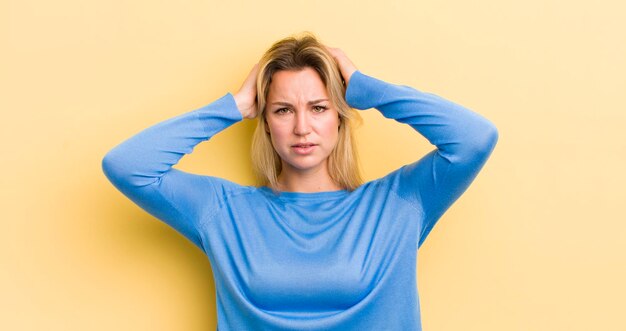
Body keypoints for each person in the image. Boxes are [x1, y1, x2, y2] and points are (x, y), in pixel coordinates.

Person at [102, 32, 499, 331]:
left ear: (339, 117)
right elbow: (127, 165)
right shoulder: (224, 212)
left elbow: (474, 139)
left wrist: (366, 88)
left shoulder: (399, 204)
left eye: (319, 107)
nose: (302, 127)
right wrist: (235, 106)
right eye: (283, 110)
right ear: (266, 121)